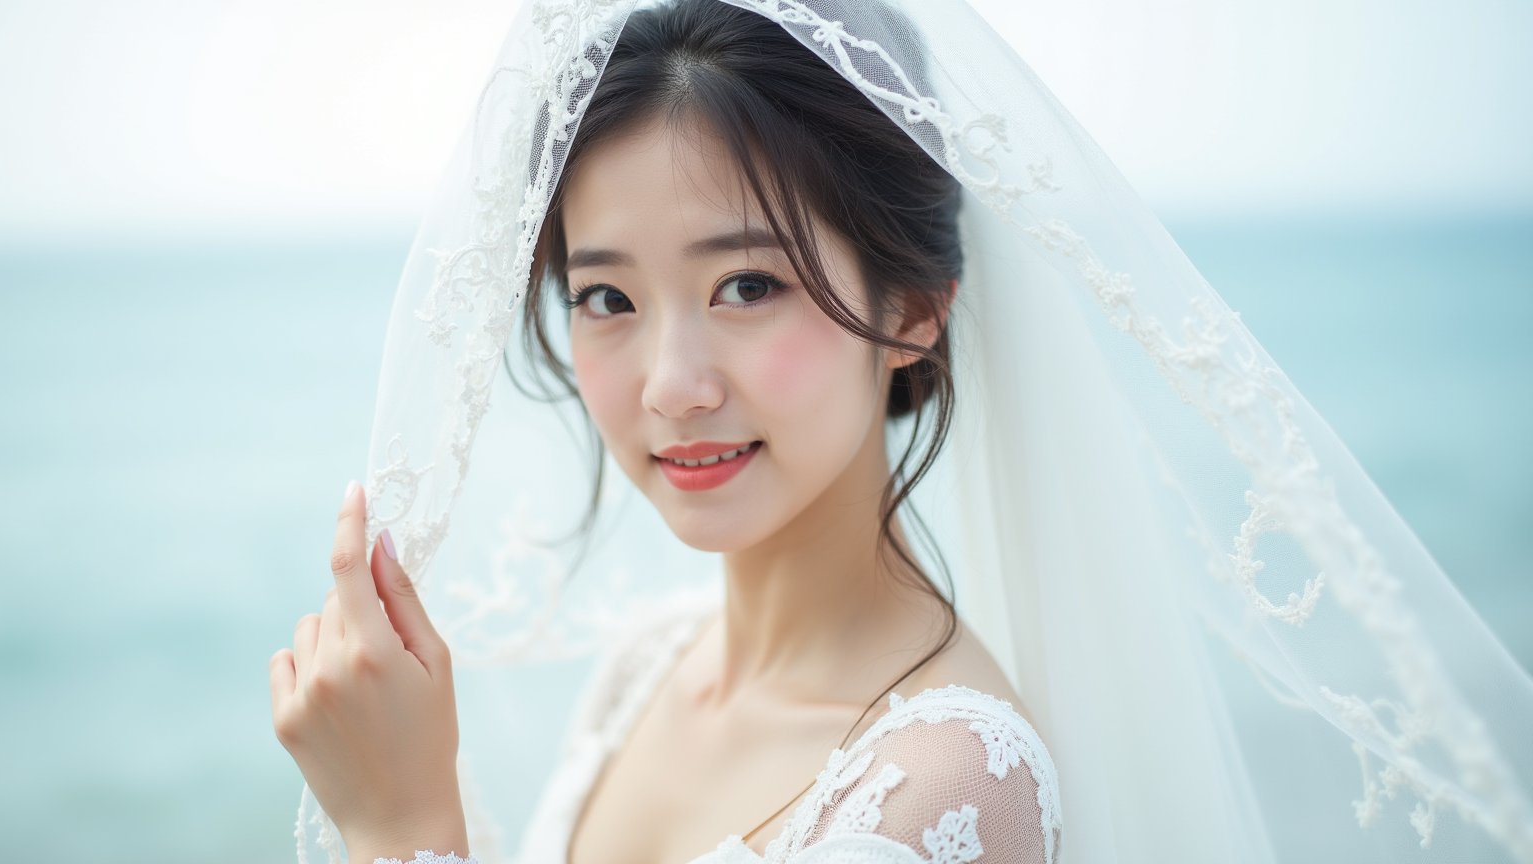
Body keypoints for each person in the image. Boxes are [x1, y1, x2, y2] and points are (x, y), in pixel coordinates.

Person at [270, 1, 1533, 863]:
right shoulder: (642, 671)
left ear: (915, 310)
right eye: (606, 296)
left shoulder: (947, 786)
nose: (671, 383)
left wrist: (404, 826)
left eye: (748, 285)